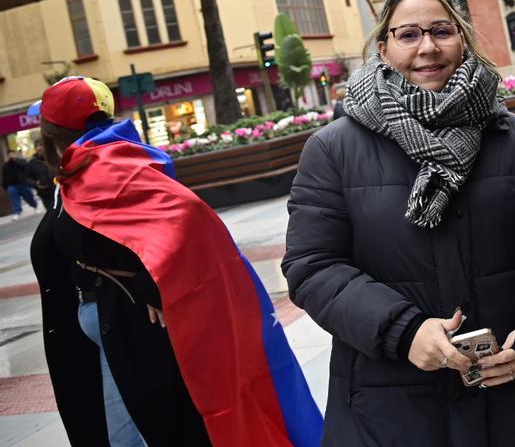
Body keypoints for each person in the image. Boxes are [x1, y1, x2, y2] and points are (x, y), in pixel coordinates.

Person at [283, 0, 515, 447]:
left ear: (461, 39)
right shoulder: (333, 150)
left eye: (441, 31)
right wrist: (404, 331)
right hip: (393, 414)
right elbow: (312, 266)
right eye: (409, 34)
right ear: (384, 48)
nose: (427, 47)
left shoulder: (512, 136)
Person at [30, 76, 323, 446]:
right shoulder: (83, 168)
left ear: (51, 132)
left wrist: (153, 281)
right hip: (104, 323)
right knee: (124, 436)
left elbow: (184, 221)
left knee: (150, 433)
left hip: (132, 325)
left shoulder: (110, 165)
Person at [3, 151, 37, 218]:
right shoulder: (6, 165)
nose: (11, 155)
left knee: (29, 196)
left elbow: (26, 169)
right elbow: (4, 176)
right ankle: (17, 212)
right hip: (12, 185)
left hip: (23, 183)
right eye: (10, 154)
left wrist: (16, 161)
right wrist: (6, 186)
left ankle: (35, 206)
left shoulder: (21, 162)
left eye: (13, 154)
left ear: (15, 154)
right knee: (14, 198)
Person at [27, 142, 54, 211]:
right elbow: (27, 178)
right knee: (51, 211)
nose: (40, 148)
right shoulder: (32, 163)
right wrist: (36, 183)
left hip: (57, 188)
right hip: (44, 192)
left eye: (42, 145)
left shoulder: (53, 158)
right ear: (35, 148)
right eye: (38, 146)